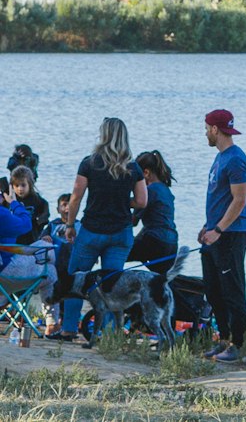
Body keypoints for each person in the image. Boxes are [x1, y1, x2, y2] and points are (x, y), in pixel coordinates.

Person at [57, 117, 147, 343]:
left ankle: (68, 329)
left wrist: (70, 224)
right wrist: (121, 202)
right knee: (110, 286)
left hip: (91, 231)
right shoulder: (133, 167)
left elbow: (76, 197)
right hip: (120, 234)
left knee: (75, 279)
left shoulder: (89, 163)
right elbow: (142, 201)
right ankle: (107, 336)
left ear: (103, 135)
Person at [199, 109, 246, 363]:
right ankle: (222, 339)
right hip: (214, 234)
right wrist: (207, 227)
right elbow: (219, 199)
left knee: (233, 290)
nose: (205, 132)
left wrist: (219, 230)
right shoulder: (220, 158)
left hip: (231, 235)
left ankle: (236, 344)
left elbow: (239, 201)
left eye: (207, 128)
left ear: (216, 129)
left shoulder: (236, 159)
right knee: (213, 290)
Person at [129, 151, 178, 274]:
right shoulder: (165, 189)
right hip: (172, 244)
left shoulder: (148, 191)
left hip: (155, 242)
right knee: (162, 278)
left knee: (115, 253)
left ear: (146, 173)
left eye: (137, 177)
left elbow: (133, 222)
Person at [10, 165, 51, 244]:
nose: (20, 189)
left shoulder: (36, 199)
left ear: (30, 184)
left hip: (32, 236)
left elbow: (45, 210)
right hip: (14, 237)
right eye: (16, 185)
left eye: (23, 185)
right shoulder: (11, 199)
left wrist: (41, 221)